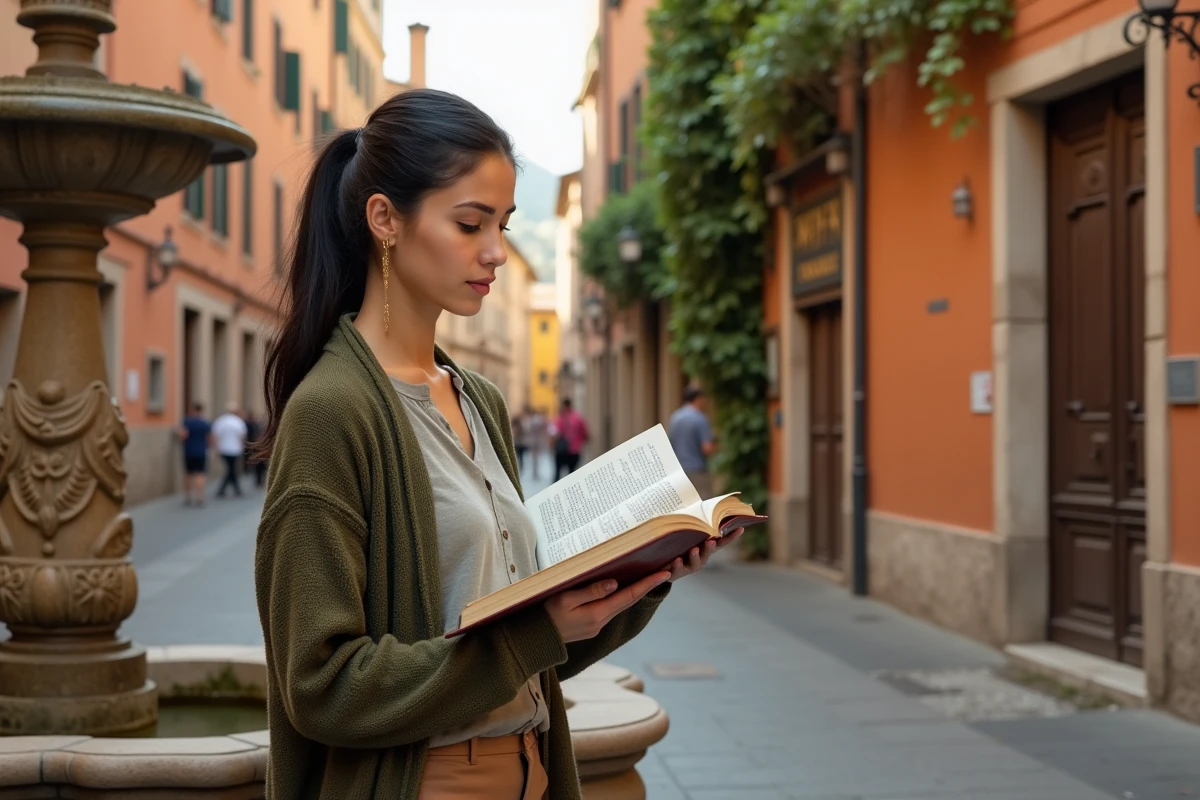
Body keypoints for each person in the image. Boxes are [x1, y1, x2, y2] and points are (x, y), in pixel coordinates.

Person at [251, 89, 743, 800]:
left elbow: (527, 651)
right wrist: (529, 637)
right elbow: (321, 686)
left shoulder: (479, 398)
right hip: (427, 782)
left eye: (504, 225)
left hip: (533, 771)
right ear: (385, 219)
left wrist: (647, 577)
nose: (496, 252)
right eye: (470, 222)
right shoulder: (332, 411)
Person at [668, 386, 717, 499]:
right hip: (697, 469)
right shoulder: (700, 418)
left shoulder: (675, 418)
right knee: (704, 503)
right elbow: (707, 448)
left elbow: (672, 442)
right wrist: (717, 447)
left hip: (679, 470)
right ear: (698, 399)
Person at [178, 402, 212, 507]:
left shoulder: (187, 421)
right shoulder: (205, 423)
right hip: (201, 451)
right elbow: (210, 438)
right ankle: (199, 496)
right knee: (200, 474)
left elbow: (183, 435)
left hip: (189, 451)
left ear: (193, 410)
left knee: (188, 474)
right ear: (201, 410)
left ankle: (188, 496)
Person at [212, 402, 248, 498]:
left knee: (230, 469)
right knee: (231, 469)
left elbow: (215, 436)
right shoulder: (238, 421)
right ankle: (234, 490)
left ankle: (225, 490)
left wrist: (216, 448)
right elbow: (242, 437)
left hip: (224, 449)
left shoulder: (221, 421)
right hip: (235, 449)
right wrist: (242, 448)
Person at [552, 398, 589, 480]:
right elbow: (585, 433)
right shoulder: (578, 418)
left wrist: (553, 446)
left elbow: (555, 433)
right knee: (572, 473)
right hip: (574, 450)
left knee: (558, 472)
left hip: (562, 449)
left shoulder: (560, 418)